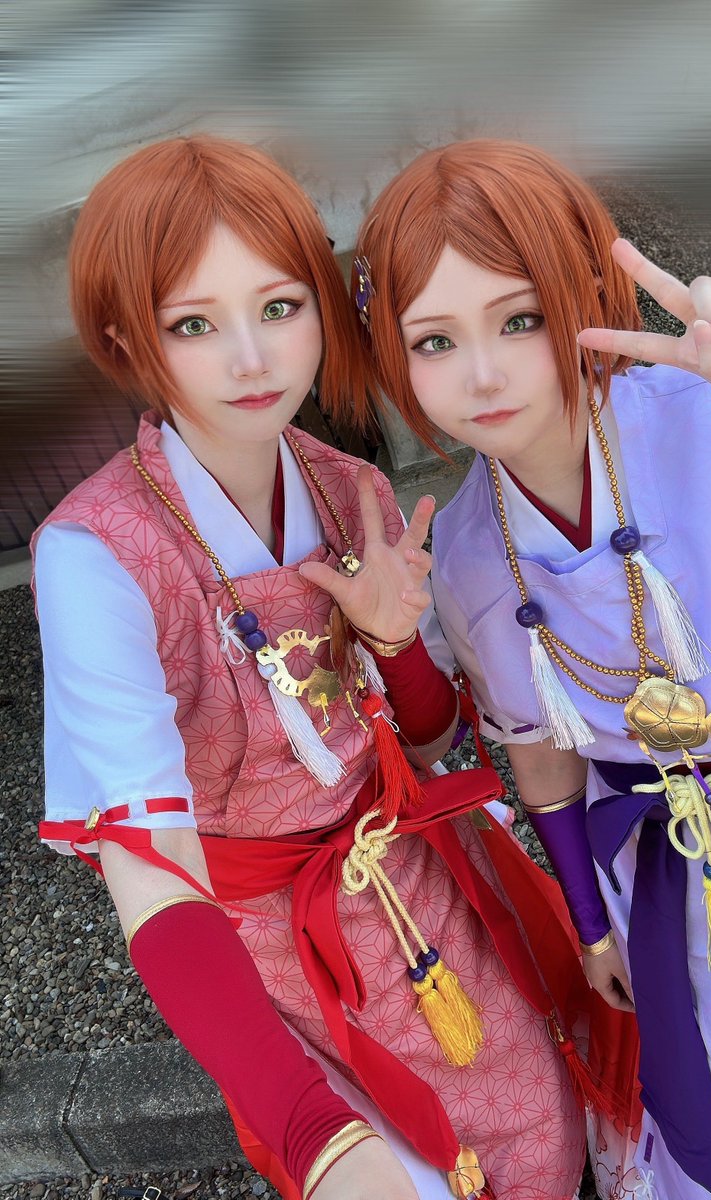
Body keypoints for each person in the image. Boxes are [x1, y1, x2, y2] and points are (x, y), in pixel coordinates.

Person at [32, 135, 629, 1200]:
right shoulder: (96, 555)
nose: (252, 359)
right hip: (266, 946)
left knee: (542, 1119)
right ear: (125, 338)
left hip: (420, 880)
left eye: (279, 307)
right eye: (193, 324)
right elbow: (154, 874)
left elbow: (433, 741)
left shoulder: (350, 488)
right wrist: (314, 1137)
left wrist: (393, 642)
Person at [354, 137, 711, 1200]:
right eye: (434, 340)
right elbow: (542, 758)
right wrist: (588, 920)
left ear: (584, 294)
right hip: (667, 870)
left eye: (519, 319)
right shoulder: (464, 548)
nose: (482, 374)